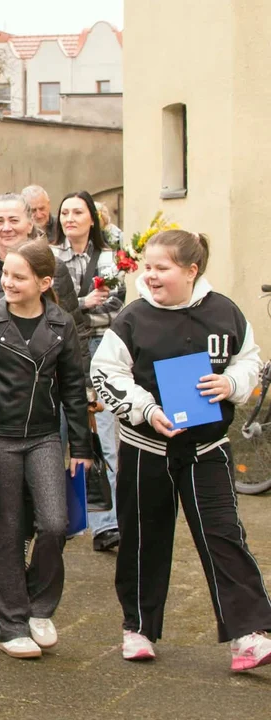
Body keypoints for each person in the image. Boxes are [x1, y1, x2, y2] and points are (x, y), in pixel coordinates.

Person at [91, 229, 271, 670]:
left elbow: (249, 359)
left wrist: (232, 382)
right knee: (143, 539)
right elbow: (106, 373)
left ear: (191, 271)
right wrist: (146, 409)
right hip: (145, 448)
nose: (150, 276)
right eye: (147, 267)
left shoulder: (225, 311)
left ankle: (248, 634)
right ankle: (138, 628)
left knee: (224, 535)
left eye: (161, 269)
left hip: (208, 447)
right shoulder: (131, 319)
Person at [0, 193, 91, 578]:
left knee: (43, 497)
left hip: (41, 401)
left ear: (30, 222)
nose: (6, 227)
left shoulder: (52, 267)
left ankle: (21, 550)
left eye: (14, 219)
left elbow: (72, 324)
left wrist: (82, 421)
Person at [0, 240, 92, 659]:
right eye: (5, 274)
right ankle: (11, 623)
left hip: (43, 437)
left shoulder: (62, 323)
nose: (8, 282)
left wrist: (81, 445)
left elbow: (74, 387)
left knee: (55, 523)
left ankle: (40, 607)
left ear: (44, 282)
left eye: (19, 277)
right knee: (11, 529)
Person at [53, 191, 126, 552]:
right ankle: (58, 518)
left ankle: (104, 524)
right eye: (64, 212)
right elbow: (53, 307)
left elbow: (116, 307)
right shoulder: (50, 256)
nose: (69, 218)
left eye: (77, 212)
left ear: (92, 218)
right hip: (62, 350)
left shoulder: (110, 257)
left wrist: (73, 309)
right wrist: (81, 304)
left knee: (105, 437)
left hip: (103, 349)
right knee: (60, 435)